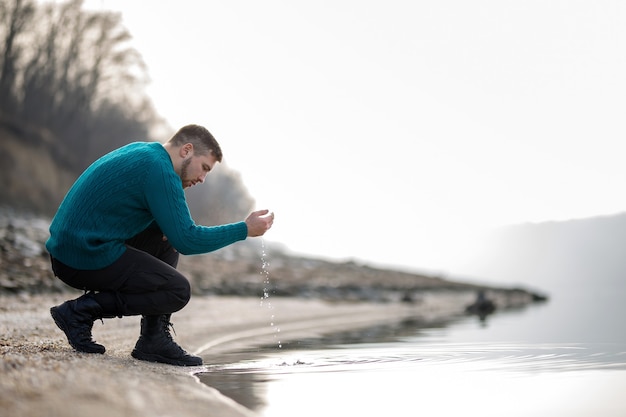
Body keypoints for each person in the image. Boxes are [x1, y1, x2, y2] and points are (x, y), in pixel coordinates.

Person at [46, 124, 274, 366]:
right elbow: (188, 240)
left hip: (71, 247)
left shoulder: (147, 153)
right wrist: (244, 229)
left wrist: (166, 228)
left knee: (166, 241)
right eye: (204, 168)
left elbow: (173, 231)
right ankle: (80, 312)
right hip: (80, 255)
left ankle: (153, 340)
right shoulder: (160, 171)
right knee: (177, 291)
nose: (202, 179)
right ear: (187, 150)